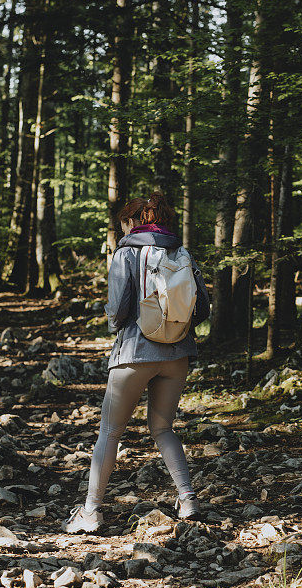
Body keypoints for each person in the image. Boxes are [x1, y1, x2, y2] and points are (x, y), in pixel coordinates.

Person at [62, 192, 210, 533]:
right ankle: (188, 500)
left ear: (132, 221)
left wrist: (121, 326)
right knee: (162, 429)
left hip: (134, 353)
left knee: (110, 431)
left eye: (123, 222)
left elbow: (117, 308)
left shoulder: (127, 252)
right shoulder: (183, 253)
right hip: (178, 355)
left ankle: (90, 512)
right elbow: (202, 307)